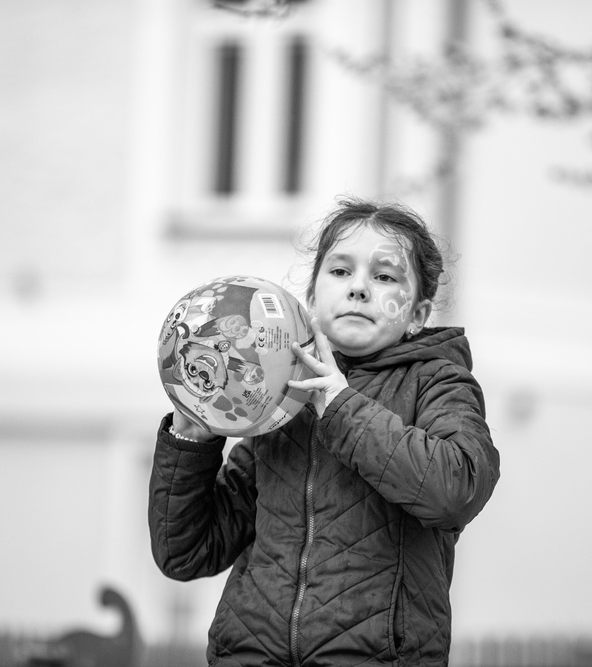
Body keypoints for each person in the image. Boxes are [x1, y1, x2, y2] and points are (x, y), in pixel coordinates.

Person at [148, 197, 500, 666]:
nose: (358, 288)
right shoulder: (280, 398)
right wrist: (193, 440)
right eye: (339, 271)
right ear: (310, 299)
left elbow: (456, 489)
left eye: (384, 276)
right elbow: (188, 554)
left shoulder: (437, 382)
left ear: (417, 314)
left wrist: (340, 406)